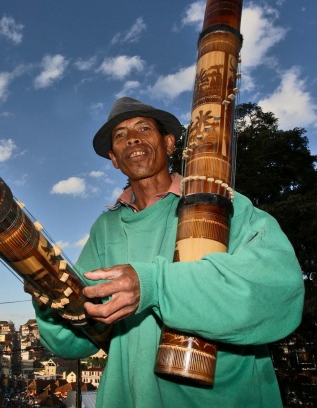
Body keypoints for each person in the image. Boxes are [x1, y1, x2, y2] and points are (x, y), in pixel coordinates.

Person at [30, 96, 304, 407]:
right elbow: (74, 342)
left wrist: (155, 285)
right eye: (120, 135)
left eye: (143, 128)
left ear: (170, 143)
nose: (132, 137)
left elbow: (278, 293)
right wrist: (50, 300)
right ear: (114, 159)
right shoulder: (104, 229)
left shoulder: (219, 203)